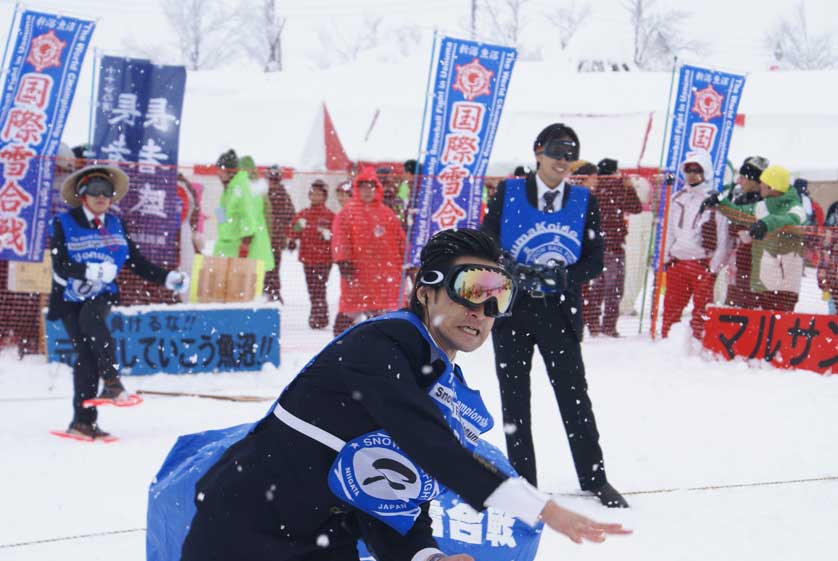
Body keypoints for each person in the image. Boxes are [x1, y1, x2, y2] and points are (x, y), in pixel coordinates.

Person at [176, 228, 630, 561]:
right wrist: (539, 508)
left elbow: (391, 489)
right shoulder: (379, 347)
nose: (482, 311)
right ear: (426, 290)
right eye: (471, 289)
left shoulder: (438, 381)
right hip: (241, 535)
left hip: (321, 541)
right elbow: (428, 444)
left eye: (498, 297)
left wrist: (428, 557)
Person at [481, 123, 628, 508]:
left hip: (560, 310)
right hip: (512, 309)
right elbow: (486, 240)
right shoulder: (508, 193)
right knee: (514, 398)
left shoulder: (583, 201)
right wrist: (509, 265)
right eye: (557, 153)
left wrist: (566, 276)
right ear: (538, 152)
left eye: (570, 155)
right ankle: (523, 481)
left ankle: (595, 478)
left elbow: (595, 259)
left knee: (574, 395)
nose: (563, 162)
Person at [48, 165, 190, 440]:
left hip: (101, 295)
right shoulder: (64, 222)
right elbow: (60, 264)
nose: (101, 197)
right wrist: (90, 270)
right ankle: (83, 422)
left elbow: (135, 262)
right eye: (95, 191)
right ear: (82, 194)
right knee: (86, 357)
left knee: (92, 319)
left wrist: (167, 277)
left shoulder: (115, 223)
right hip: (69, 298)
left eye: (107, 191)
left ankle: (112, 382)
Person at [703, 164, 805, 312]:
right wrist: (719, 201)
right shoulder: (762, 206)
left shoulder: (796, 208)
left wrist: (766, 223)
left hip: (784, 284)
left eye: (763, 182)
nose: (760, 185)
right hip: (762, 280)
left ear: (772, 187)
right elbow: (738, 212)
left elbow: (791, 219)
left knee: (778, 329)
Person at [660, 149, 731, 339]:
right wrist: (666, 257)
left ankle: (698, 345)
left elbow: (723, 239)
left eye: (696, 170)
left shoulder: (715, 202)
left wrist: (713, 268)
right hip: (678, 262)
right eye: (688, 170)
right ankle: (667, 343)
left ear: (705, 172)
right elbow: (669, 231)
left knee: (702, 310)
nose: (691, 175)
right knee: (671, 309)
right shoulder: (677, 199)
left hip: (702, 263)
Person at [331, 167, 406, 336]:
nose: (367, 192)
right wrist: (343, 261)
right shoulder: (346, 214)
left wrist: (408, 262)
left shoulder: (387, 213)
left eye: (371, 188)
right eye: (363, 188)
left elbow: (401, 240)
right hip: (358, 274)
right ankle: (342, 348)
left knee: (381, 317)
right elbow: (340, 239)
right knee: (347, 316)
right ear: (357, 190)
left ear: (377, 189)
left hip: (385, 274)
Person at [582, 158, 642, 337]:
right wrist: (629, 188)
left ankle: (592, 323)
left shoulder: (593, 189)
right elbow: (636, 208)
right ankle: (608, 326)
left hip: (594, 246)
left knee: (596, 289)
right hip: (613, 247)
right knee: (613, 289)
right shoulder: (616, 188)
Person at [720, 156, 768, 309]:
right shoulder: (740, 199)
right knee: (736, 303)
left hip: (761, 265)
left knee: (755, 307)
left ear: (754, 180)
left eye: (743, 177)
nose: (739, 181)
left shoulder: (767, 201)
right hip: (741, 262)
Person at [287, 179, 335, 329]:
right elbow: (293, 231)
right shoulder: (303, 215)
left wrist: (327, 235)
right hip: (308, 258)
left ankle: (320, 317)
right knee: (312, 288)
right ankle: (317, 315)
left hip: (324, 260)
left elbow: (336, 235)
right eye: (313, 194)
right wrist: (292, 238)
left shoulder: (329, 216)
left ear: (324, 197)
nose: (315, 197)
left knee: (319, 288)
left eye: (318, 194)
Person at [213, 149, 259, 261]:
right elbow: (223, 217)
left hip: (234, 248)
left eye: (220, 171)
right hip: (223, 246)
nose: (217, 174)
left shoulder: (240, 188)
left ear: (230, 172)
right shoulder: (228, 188)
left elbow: (248, 217)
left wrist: (244, 246)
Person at [264, 164, 296, 302]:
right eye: (270, 180)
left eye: (274, 180)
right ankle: (271, 291)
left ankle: (273, 291)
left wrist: (290, 236)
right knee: (270, 266)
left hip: (274, 239)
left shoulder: (280, 196)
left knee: (272, 267)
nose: (272, 183)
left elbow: (292, 218)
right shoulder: (267, 195)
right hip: (268, 238)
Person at [239, 155, 275, 274]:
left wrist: (245, 242)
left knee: (247, 285)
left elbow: (249, 219)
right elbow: (268, 217)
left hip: (249, 245)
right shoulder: (259, 191)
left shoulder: (246, 190)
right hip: (260, 242)